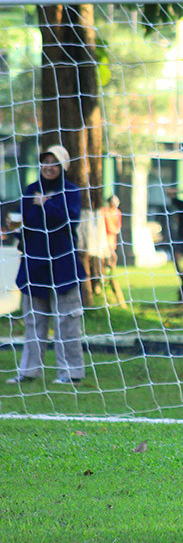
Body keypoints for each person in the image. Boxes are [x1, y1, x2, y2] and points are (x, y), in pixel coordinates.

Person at [7, 145, 87, 385]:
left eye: (54, 163)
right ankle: (29, 371)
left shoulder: (71, 191)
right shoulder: (31, 190)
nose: (49, 167)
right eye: (45, 162)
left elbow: (68, 220)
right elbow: (27, 222)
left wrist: (46, 204)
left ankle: (71, 373)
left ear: (62, 167)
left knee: (67, 322)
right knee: (34, 322)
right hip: (35, 266)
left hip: (63, 266)